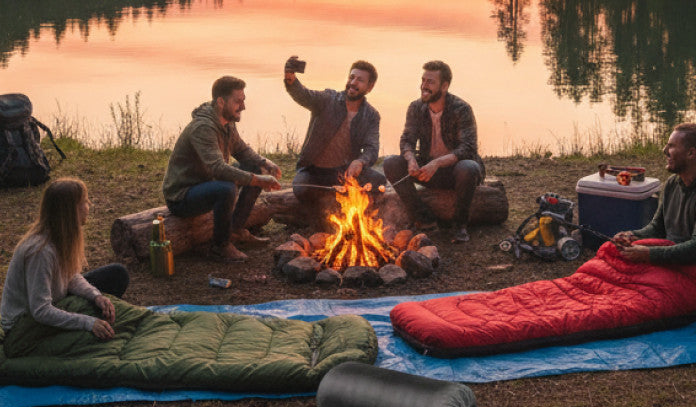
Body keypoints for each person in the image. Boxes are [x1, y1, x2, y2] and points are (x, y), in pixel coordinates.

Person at [162, 76, 282, 262]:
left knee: (255, 168)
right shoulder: (203, 128)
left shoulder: (227, 122)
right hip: (182, 196)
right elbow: (218, 168)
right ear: (220, 101)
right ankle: (220, 246)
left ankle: (236, 230)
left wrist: (265, 164)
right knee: (226, 188)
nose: (243, 106)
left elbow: (241, 150)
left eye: (243, 100)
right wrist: (258, 180)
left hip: (207, 183)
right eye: (238, 101)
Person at [612, 122, 696, 297]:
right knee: (614, 263)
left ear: (691, 153)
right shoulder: (672, 184)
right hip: (673, 265)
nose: (664, 151)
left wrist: (648, 254)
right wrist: (633, 235)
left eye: (671, 146)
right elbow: (657, 228)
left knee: (639, 297)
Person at [0, 177, 130, 342]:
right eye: (84, 201)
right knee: (93, 330)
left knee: (117, 274)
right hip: (24, 326)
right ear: (71, 210)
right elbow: (40, 310)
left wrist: (97, 296)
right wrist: (88, 323)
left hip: (55, 301)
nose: (89, 205)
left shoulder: (59, 237)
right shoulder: (40, 252)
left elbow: (71, 276)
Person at [382, 60, 484, 244]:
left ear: (444, 86)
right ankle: (423, 219)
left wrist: (437, 163)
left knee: (468, 167)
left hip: (455, 171)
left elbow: (468, 148)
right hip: (428, 170)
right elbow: (407, 140)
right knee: (390, 162)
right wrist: (411, 159)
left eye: (430, 82)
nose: (423, 86)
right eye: (423, 80)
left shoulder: (461, 109)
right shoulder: (416, 108)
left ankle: (460, 225)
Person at [283, 56, 386, 203]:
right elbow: (304, 95)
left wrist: (360, 162)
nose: (353, 82)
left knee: (379, 183)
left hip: (344, 172)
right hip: (312, 170)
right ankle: (324, 217)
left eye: (360, 80)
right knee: (302, 190)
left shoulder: (371, 115)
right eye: (352, 77)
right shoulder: (328, 99)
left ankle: (355, 213)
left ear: (370, 87)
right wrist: (290, 78)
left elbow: (372, 148)